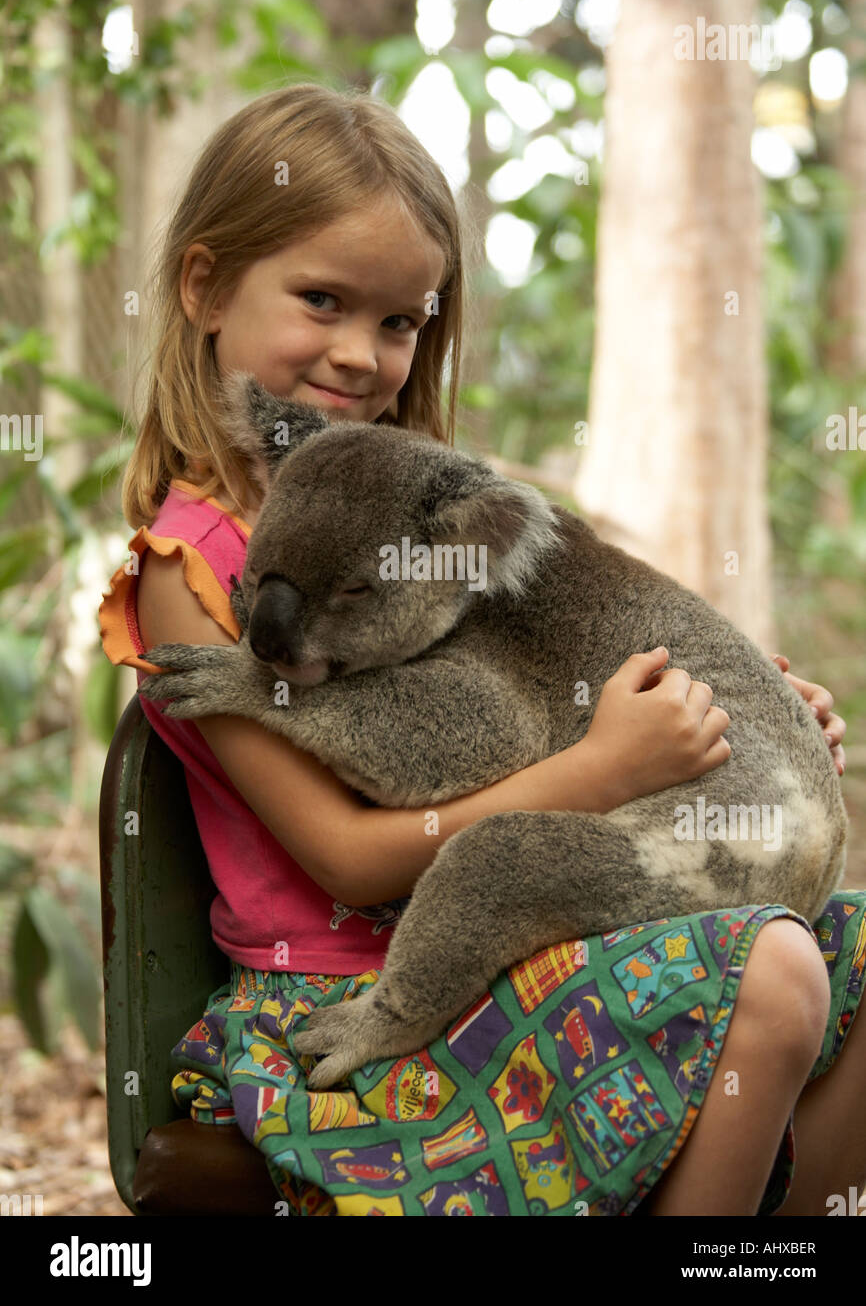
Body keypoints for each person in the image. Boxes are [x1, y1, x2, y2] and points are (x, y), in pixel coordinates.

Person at [99, 82, 865, 1218]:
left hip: (547, 926)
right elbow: (365, 850)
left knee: (831, 950)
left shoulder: (437, 519)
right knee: (753, 963)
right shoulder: (187, 564)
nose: (358, 354)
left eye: (399, 321)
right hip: (358, 986)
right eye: (321, 299)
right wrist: (609, 762)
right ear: (204, 285)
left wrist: (744, 703)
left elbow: (514, 698)